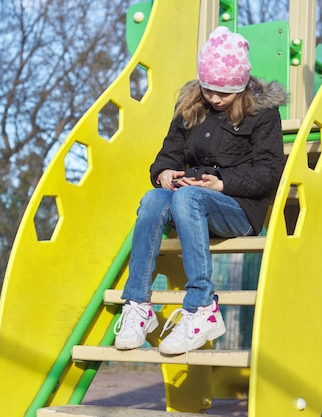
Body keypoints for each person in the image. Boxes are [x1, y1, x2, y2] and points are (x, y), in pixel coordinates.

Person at [114, 26, 287, 355]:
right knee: (153, 199)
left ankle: (202, 307)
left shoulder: (262, 114)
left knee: (189, 196)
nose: (216, 98)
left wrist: (222, 184)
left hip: (238, 207)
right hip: (189, 200)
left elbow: (270, 173)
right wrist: (164, 173)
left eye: (225, 92)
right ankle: (138, 306)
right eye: (209, 90)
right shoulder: (190, 106)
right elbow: (169, 154)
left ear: (241, 86)